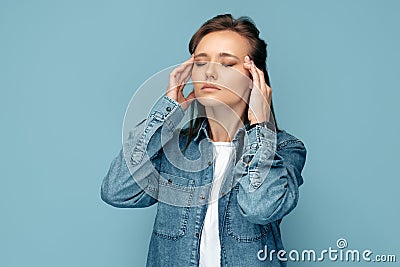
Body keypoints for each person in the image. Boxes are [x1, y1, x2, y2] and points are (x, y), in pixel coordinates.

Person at [100, 13, 307, 267]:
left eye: (227, 64)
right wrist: (166, 112)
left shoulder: (285, 149)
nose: (209, 72)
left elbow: (259, 207)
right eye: (200, 62)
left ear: (254, 78)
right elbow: (117, 191)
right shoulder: (176, 150)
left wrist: (261, 126)